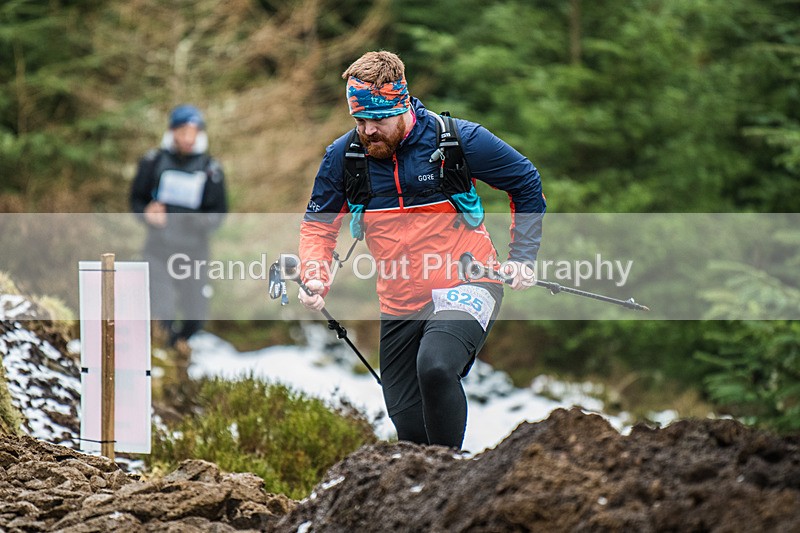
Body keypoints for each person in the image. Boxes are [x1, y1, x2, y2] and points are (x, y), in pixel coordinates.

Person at [298, 51, 545, 450]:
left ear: (403, 107)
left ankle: (451, 477)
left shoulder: (458, 140)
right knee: (410, 432)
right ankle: (427, 493)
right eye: (360, 120)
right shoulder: (344, 157)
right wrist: (315, 274)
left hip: (469, 281)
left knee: (436, 367)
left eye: (378, 120)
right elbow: (318, 226)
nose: (368, 131)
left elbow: (526, 181)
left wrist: (522, 257)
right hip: (399, 301)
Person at [130, 104, 227, 356]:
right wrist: (147, 213)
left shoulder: (211, 168)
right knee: (163, 311)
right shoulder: (152, 162)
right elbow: (136, 200)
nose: (187, 137)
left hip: (194, 252)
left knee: (196, 316)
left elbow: (219, 212)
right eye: (182, 131)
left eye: (193, 131)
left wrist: (198, 221)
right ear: (172, 132)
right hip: (158, 250)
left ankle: (176, 347)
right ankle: (164, 356)